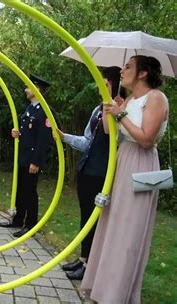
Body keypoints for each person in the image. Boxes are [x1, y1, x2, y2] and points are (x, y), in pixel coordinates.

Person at [82, 56, 169, 303]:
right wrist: (110, 106)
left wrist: (121, 115)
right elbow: (111, 132)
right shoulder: (130, 99)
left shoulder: (156, 98)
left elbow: (146, 139)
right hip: (122, 162)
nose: (123, 70)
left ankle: (118, 295)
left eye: (129, 66)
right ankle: (103, 289)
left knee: (128, 230)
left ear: (143, 73)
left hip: (141, 164)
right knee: (112, 224)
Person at [58, 66, 122, 280]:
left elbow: (112, 136)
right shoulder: (97, 109)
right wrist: (64, 136)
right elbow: (87, 141)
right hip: (86, 169)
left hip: (101, 173)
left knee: (95, 220)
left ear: (113, 83)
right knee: (86, 217)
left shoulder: (119, 107)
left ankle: (91, 266)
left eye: (105, 83)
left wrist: (111, 109)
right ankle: (84, 258)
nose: (100, 87)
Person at [0, 75, 52, 237]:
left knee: (30, 192)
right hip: (22, 156)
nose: (25, 90)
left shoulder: (44, 111)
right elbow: (29, 133)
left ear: (37, 89)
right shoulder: (31, 108)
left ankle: (30, 225)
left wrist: (36, 162)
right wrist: (18, 134)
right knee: (21, 189)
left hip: (31, 159)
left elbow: (43, 140)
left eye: (28, 87)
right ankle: (18, 219)